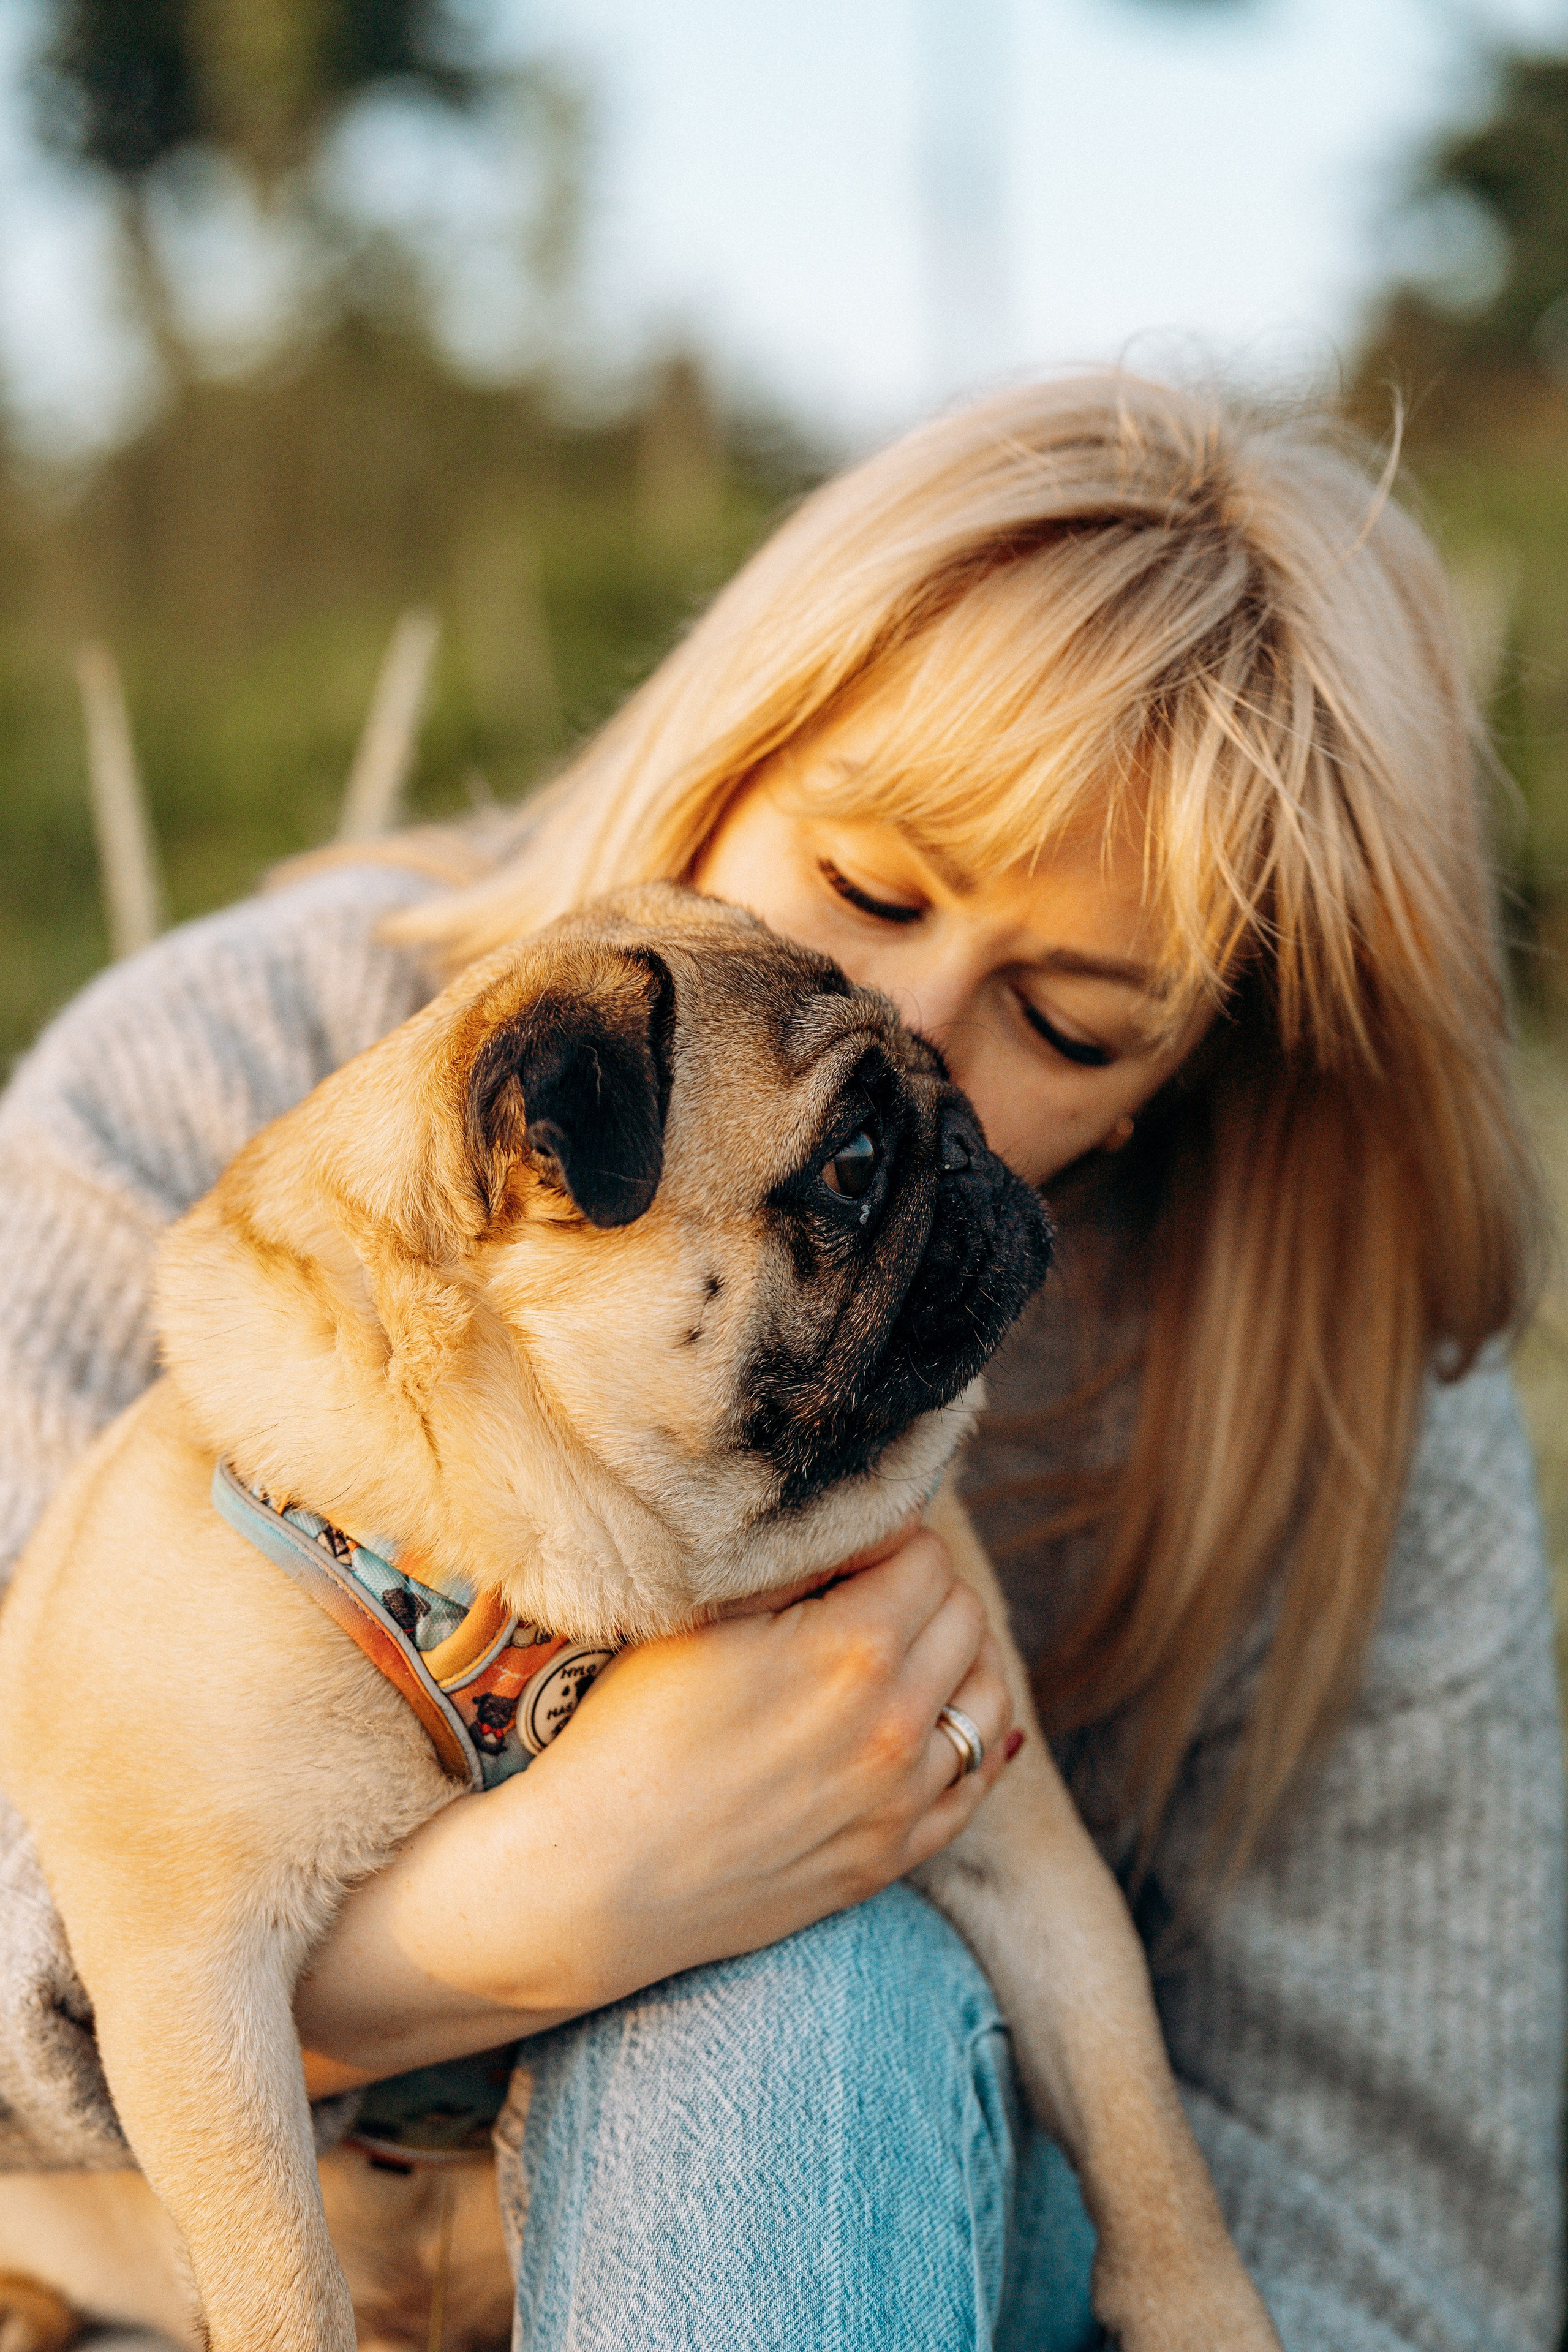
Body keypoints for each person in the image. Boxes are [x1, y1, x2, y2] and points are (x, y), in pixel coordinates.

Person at [0, 374, 1559, 2352]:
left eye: (1071, 1025)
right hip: (184, 2252)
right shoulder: (210, 1092)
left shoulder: (1341, 1359)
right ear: (729, 754)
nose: (917, 1031)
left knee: (804, 1977)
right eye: (867, 895)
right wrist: (525, 1921)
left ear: (1191, 1073)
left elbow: (1409, 2248)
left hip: (944, 2249)